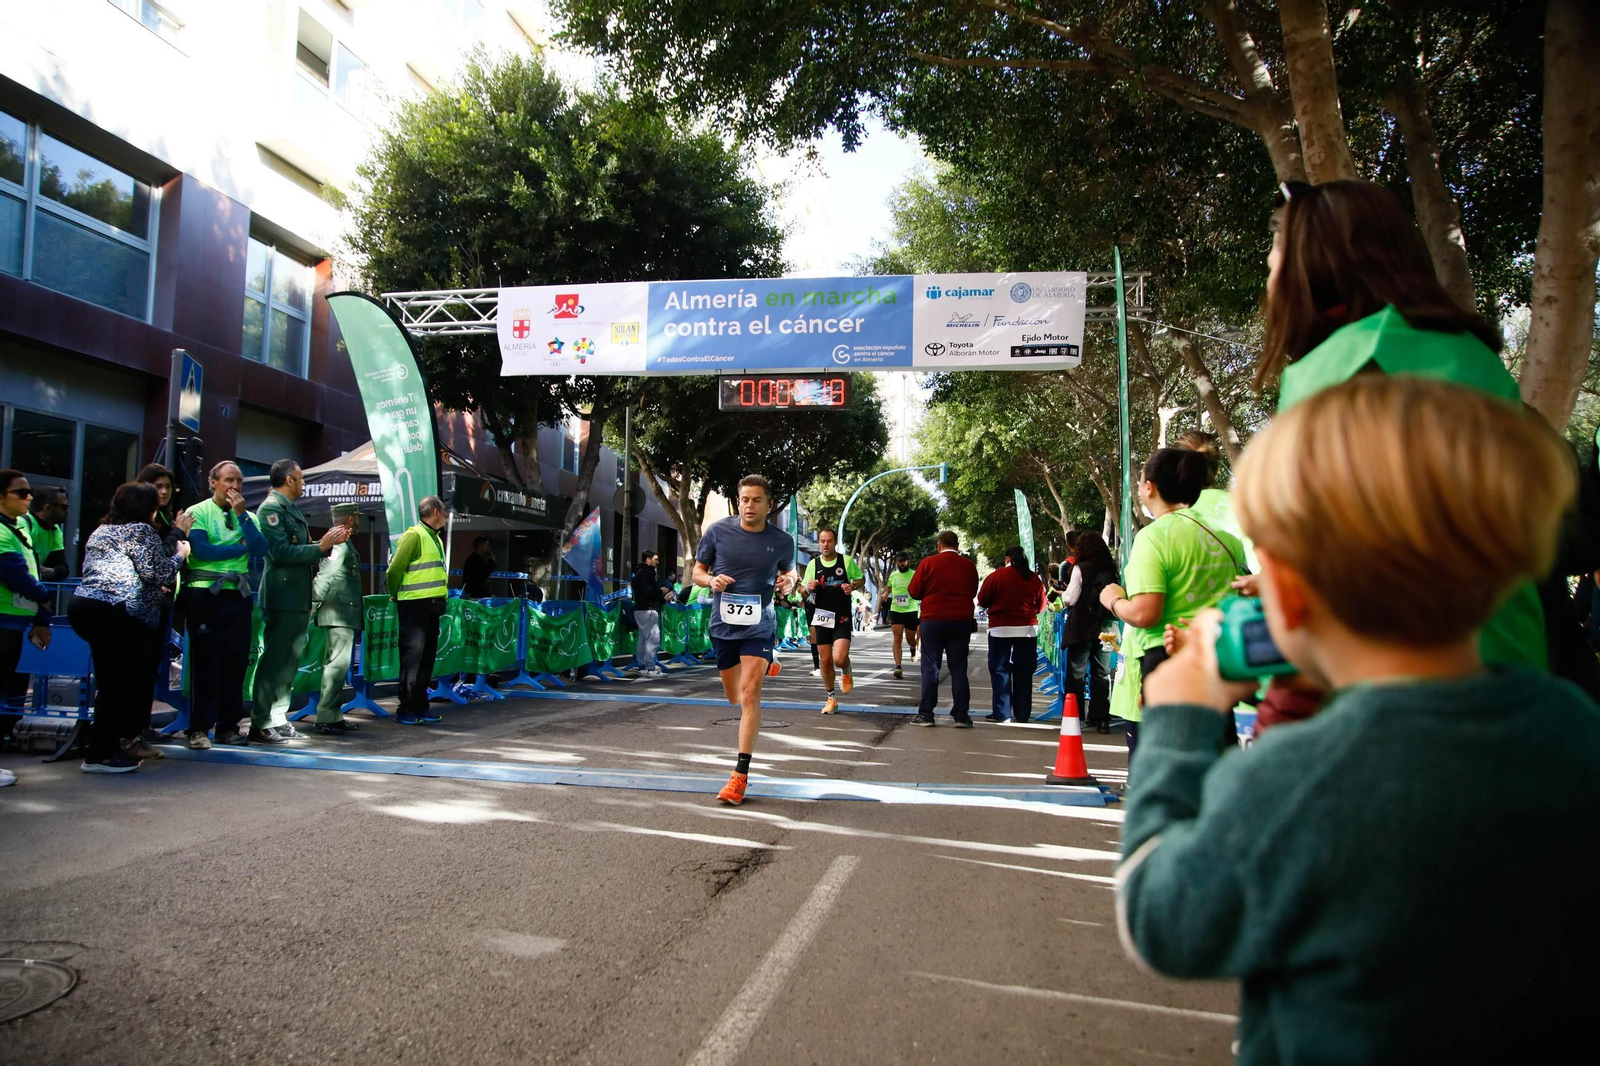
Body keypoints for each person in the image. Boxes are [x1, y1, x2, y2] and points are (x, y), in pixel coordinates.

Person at [1118, 375, 1597, 1064]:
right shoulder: (1571, 728)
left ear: (1293, 583)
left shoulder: (1300, 777)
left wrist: (1178, 720)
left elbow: (1163, 917)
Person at [1256, 177, 1547, 677]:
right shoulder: (1471, 353)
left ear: (1313, 266)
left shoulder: (1342, 366)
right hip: (1515, 654)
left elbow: (1326, 550)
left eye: (1273, 258)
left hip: (1402, 671)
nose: (1268, 273)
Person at [1101, 449, 1246, 761]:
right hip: (1217, 661)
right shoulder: (1225, 537)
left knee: (1165, 767)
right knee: (1217, 763)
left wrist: (1113, 600)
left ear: (1149, 487)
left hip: (1165, 662)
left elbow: (1144, 613)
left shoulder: (1154, 538)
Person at [68, 481, 189, 772]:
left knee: (110, 684)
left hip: (84, 606)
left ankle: (103, 749)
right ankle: (101, 755)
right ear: (147, 509)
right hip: (118, 612)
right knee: (121, 686)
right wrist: (180, 555)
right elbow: (156, 572)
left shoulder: (101, 531)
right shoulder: (141, 530)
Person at [692, 474, 796, 805]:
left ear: (769, 504)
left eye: (756, 500)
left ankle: (739, 776)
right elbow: (696, 572)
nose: (749, 505)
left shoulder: (781, 540)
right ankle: (769, 660)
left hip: (759, 626)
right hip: (723, 626)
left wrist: (790, 581)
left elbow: (790, 572)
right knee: (734, 697)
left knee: (750, 694)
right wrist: (710, 581)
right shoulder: (718, 532)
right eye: (744, 499)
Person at [250, 460, 350, 743]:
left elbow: (299, 547)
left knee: (290, 661)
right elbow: (279, 552)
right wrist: (320, 547)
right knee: (274, 659)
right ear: (289, 480)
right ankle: (260, 720)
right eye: (301, 478)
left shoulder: (290, 508)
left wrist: (324, 546)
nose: (303, 484)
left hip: (297, 595)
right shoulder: (271, 508)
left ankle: (278, 716)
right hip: (282, 595)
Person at [182, 461, 268, 748]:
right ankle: (198, 728)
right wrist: (240, 547)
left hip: (238, 594)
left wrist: (242, 517)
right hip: (205, 592)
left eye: (239, 481)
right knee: (206, 661)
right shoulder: (198, 511)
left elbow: (261, 549)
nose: (234, 487)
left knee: (236, 660)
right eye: (229, 480)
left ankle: (228, 727)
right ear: (213, 482)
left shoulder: (249, 516)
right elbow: (202, 550)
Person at [0, 470, 54, 785]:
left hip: (15, 619)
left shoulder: (20, 525)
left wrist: (40, 616)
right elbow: (16, 575)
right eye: (21, 493)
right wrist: (44, 598)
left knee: (5, 689)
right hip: (2, 620)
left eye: (29, 491)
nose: (29, 497)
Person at [387, 495, 450, 725]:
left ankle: (421, 705)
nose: (446, 515)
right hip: (414, 604)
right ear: (435, 512)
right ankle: (406, 708)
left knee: (426, 659)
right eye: (444, 511)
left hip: (431, 605)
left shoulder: (435, 538)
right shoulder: (415, 535)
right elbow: (394, 569)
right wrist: (395, 593)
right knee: (412, 659)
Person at [908, 530, 980, 726]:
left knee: (931, 668)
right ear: (957, 545)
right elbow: (973, 590)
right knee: (958, 668)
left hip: (933, 621)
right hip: (960, 621)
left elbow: (914, 591)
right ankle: (961, 715)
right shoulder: (969, 566)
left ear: (938, 546)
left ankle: (926, 714)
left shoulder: (928, 563)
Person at [311, 503, 363, 735]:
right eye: (357, 517)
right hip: (339, 613)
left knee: (339, 667)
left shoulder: (343, 541)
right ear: (351, 518)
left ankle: (333, 714)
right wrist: (312, 604)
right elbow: (326, 575)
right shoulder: (340, 543)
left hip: (342, 613)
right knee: (336, 666)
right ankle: (326, 716)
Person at [977, 546, 1046, 723]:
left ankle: (1002, 713)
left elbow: (982, 599)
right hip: (1027, 630)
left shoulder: (997, 575)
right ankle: (1022, 714)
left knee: (1000, 670)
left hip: (1000, 629)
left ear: (1008, 558)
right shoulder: (1033, 579)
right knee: (1024, 671)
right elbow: (1040, 606)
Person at [1061, 531, 1117, 732]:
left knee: (1077, 672)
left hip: (1083, 628)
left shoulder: (1080, 568)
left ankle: (1074, 716)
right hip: (1108, 628)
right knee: (1102, 673)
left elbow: (1070, 599)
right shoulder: (1111, 569)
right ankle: (1101, 718)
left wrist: (1064, 594)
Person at [803, 528, 863, 714]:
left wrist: (852, 586)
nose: (825, 544)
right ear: (819, 542)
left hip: (842, 616)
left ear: (835, 542)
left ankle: (846, 669)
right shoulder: (813, 564)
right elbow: (803, 592)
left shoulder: (845, 561)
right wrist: (808, 587)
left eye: (829, 541)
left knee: (839, 658)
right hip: (822, 617)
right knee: (826, 661)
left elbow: (860, 579)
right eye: (822, 541)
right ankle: (831, 698)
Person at [630, 550, 670, 678]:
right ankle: (651, 668)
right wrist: (661, 591)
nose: (658, 562)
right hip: (648, 609)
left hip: (640, 609)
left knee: (643, 638)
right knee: (652, 639)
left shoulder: (638, 573)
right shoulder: (647, 573)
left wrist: (662, 598)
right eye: (656, 559)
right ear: (648, 560)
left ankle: (642, 666)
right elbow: (649, 592)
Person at [886, 551, 920, 679]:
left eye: (904, 561)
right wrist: (885, 594)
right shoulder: (893, 575)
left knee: (910, 638)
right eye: (900, 561)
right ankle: (898, 666)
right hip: (896, 610)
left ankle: (913, 647)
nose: (902, 563)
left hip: (911, 610)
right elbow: (889, 587)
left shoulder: (915, 575)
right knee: (897, 637)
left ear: (908, 561)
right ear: (897, 562)